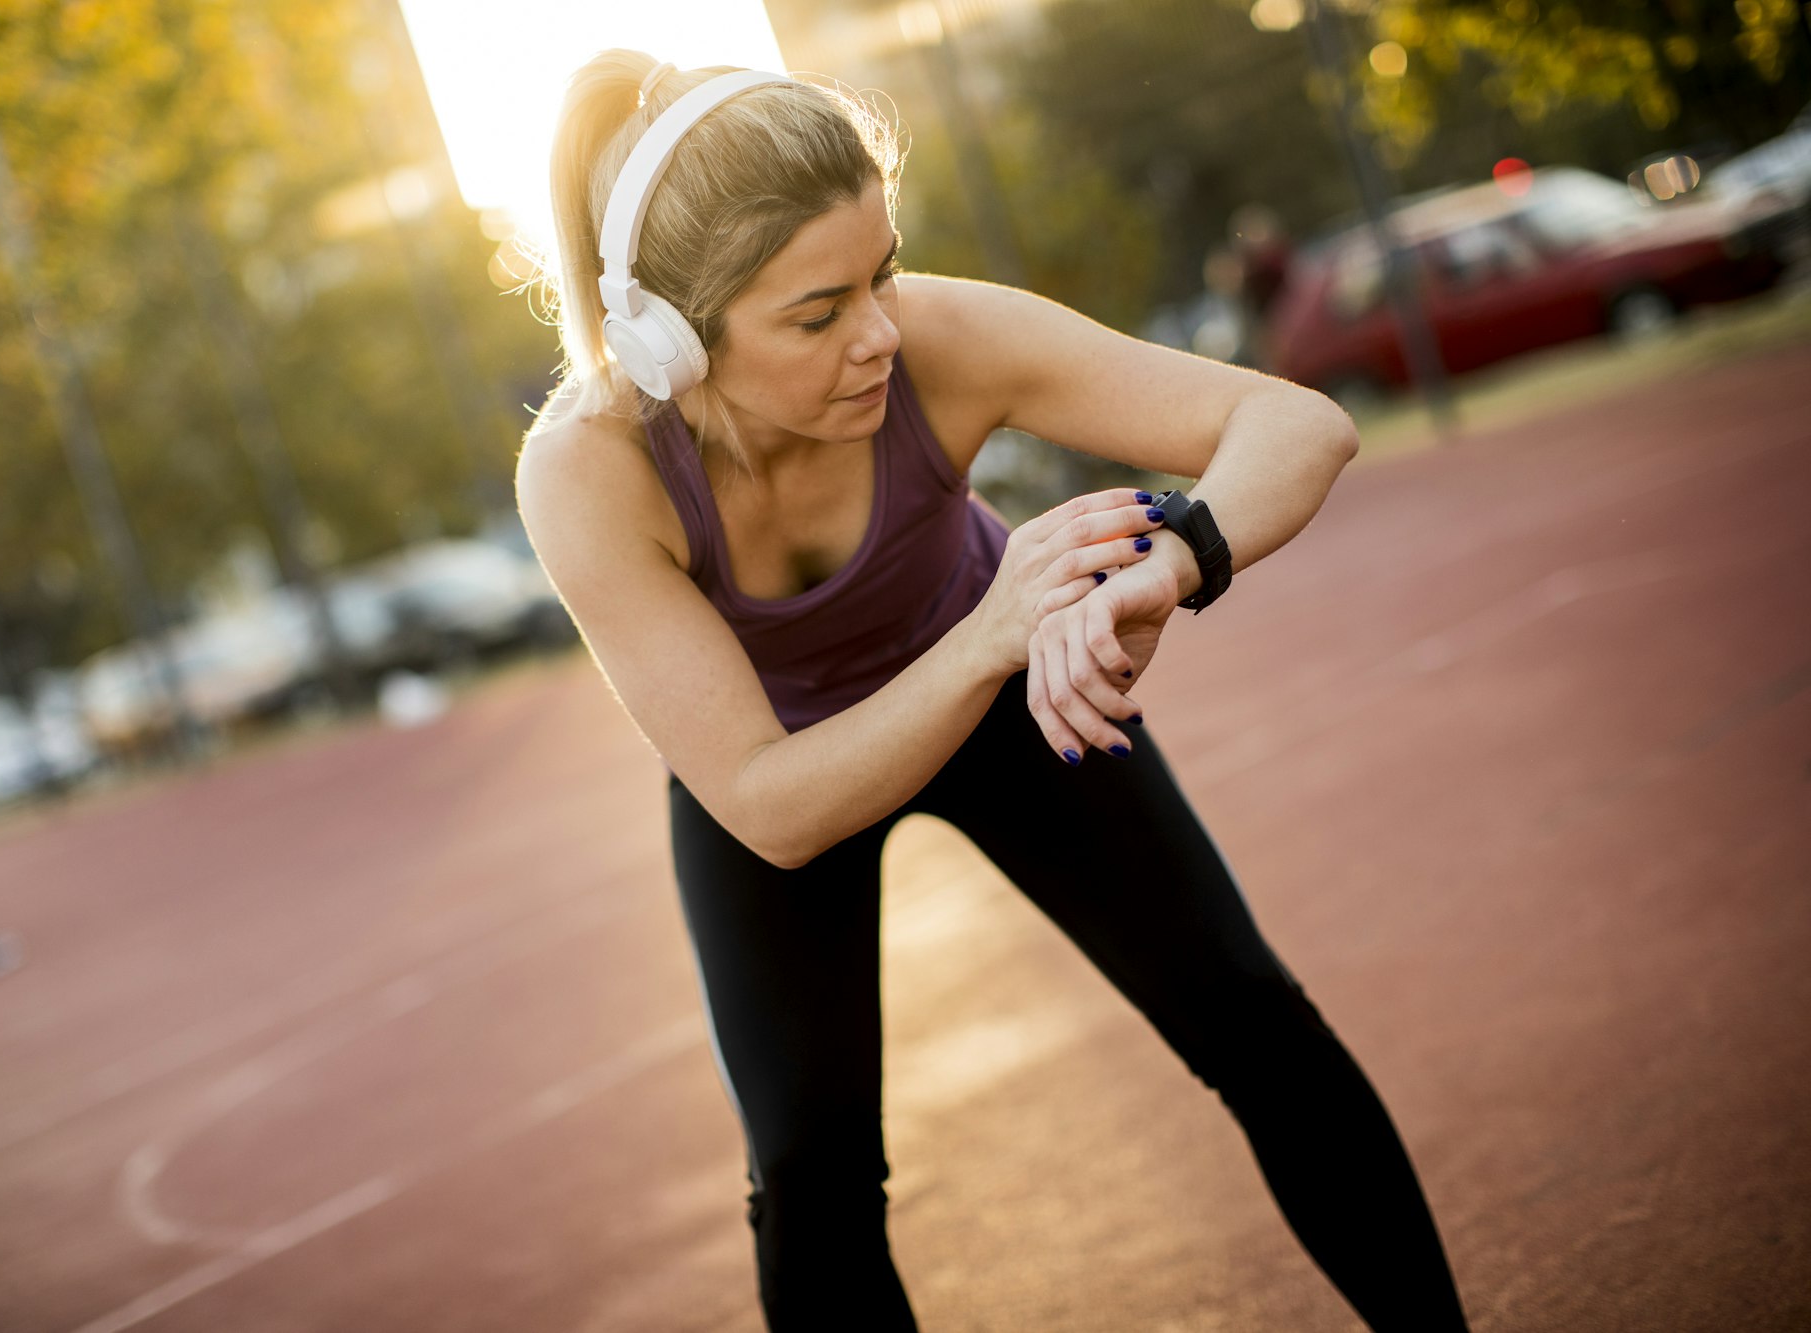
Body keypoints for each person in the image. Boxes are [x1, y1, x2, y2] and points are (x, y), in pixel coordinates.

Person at [515, 51, 1468, 1331]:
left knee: (1248, 1018)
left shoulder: (941, 344)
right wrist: (986, 639)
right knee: (810, 1174)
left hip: (1016, 702)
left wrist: (1168, 566)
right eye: (816, 314)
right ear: (672, 338)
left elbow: (1297, 426)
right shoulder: (588, 472)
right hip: (791, 760)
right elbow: (766, 802)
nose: (879, 334)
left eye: (883, 273)